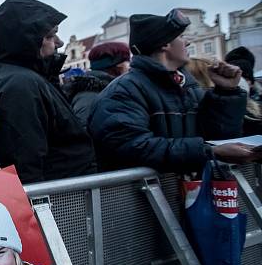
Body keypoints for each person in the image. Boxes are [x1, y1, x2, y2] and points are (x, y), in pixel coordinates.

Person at [89, 10, 253, 173]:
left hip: (180, 193)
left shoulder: (187, 85)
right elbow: (133, 147)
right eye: (181, 37)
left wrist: (226, 91)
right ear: (165, 44)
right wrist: (208, 152)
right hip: (142, 195)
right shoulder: (124, 91)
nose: (187, 42)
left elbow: (217, 134)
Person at [0, 0, 96, 184]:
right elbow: (25, 168)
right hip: (62, 204)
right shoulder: (21, 86)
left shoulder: (26, 80)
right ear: (27, 41)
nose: (59, 43)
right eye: (50, 36)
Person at [63, 42, 131, 127]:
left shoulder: (108, 89)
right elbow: (84, 132)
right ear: (118, 65)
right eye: (127, 61)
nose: (130, 66)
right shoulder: (90, 96)